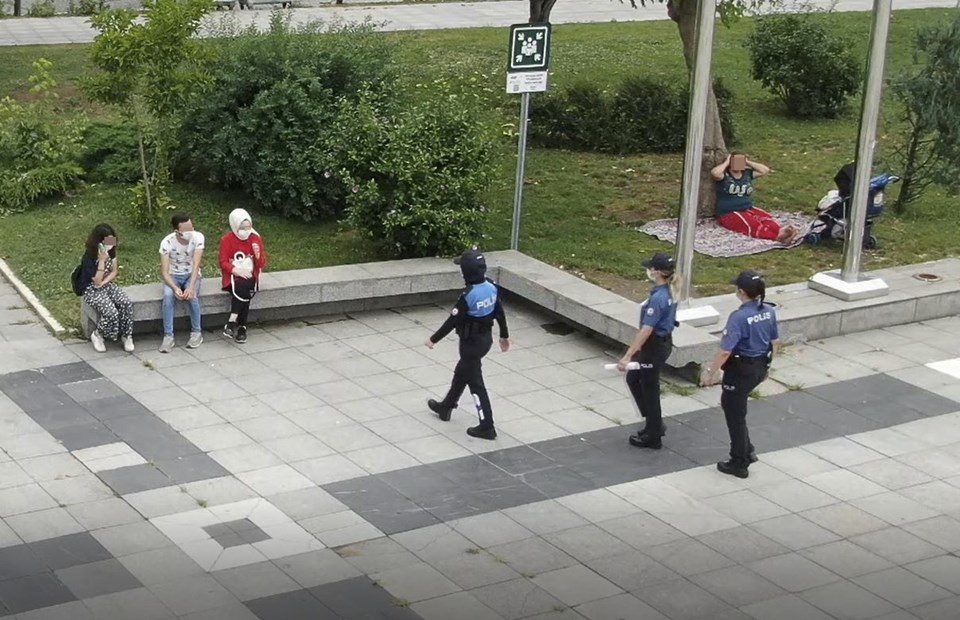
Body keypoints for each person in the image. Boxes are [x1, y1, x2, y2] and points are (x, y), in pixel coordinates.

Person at [701, 270, 780, 479]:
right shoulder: (769, 311)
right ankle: (747, 449)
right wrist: (767, 367)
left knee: (734, 414)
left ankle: (739, 461)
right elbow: (774, 341)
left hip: (740, 368)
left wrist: (710, 372)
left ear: (742, 292)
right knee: (737, 409)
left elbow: (725, 350)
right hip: (759, 365)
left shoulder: (739, 317)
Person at [425, 247, 510, 440]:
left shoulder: (468, 295)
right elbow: (500, 312)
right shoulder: (491, 286)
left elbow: (452, 320)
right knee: (462, 371)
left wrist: (433, 339)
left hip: (470, 345)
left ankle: (487, 425)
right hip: (485, 340)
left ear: (466, 273)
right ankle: (446, 406)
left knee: (476, 385)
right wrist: (504, 336)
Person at [617, 252, 679, 450]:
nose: (649, 270)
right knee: (634, 379)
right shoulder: (668, 289)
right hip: (660, 343)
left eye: (652, 267)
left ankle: (654, 434)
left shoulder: (659, 298)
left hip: (654, 345)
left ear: (658, 272)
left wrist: (628, 355)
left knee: (649, 388)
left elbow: (646, 329)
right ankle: (653, 422)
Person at [712, 152, 799, 244]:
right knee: (752, 224)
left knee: (766, 219)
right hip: (729, 212)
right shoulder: (725, 175)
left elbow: (764, 170)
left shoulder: (747, 174)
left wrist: (748, 162)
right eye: (736, 161)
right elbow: (715, 173)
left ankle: (781, 232)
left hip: (747, 208)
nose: (738, 163)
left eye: (741, 161)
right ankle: (777, 238)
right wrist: (726, 162)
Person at [78, 224, 134, 353]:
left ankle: (126, 335)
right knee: (111, 312)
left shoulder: (112, 250)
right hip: (91, 288)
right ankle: (98, 334)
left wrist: (105, 282)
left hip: (106, 284)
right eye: (107, 241)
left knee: (125, 303)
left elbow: (114, 271)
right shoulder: (89, 256)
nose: (110, 244)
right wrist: (102, 261)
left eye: (112, 240)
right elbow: (96, 281)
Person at [218, 208, 267, 344]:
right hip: (233, 276)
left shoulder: (255, 238)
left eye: (248, 227)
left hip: (251, 275)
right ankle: (241, 327)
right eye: (242, 228)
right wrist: (235, 270)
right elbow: (222, 262)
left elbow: (261, 263)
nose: (246, 231)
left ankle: (232, 321)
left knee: (244, 285)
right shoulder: (227, 239)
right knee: (242, 287)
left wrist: (257, 255)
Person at [159, 213, 204, 353]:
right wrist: (175, 287)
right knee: (168, 296)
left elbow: (196, 265)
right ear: (177, 231)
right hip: (173, 275)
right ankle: (168, 336)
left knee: (192, 296)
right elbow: (165, 272)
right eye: (186, 230)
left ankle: (196, 332)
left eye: (191, 228)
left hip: (192, 274)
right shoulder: (167, 242)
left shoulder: (198, 238)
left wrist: (190, 287)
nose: (190, 232)